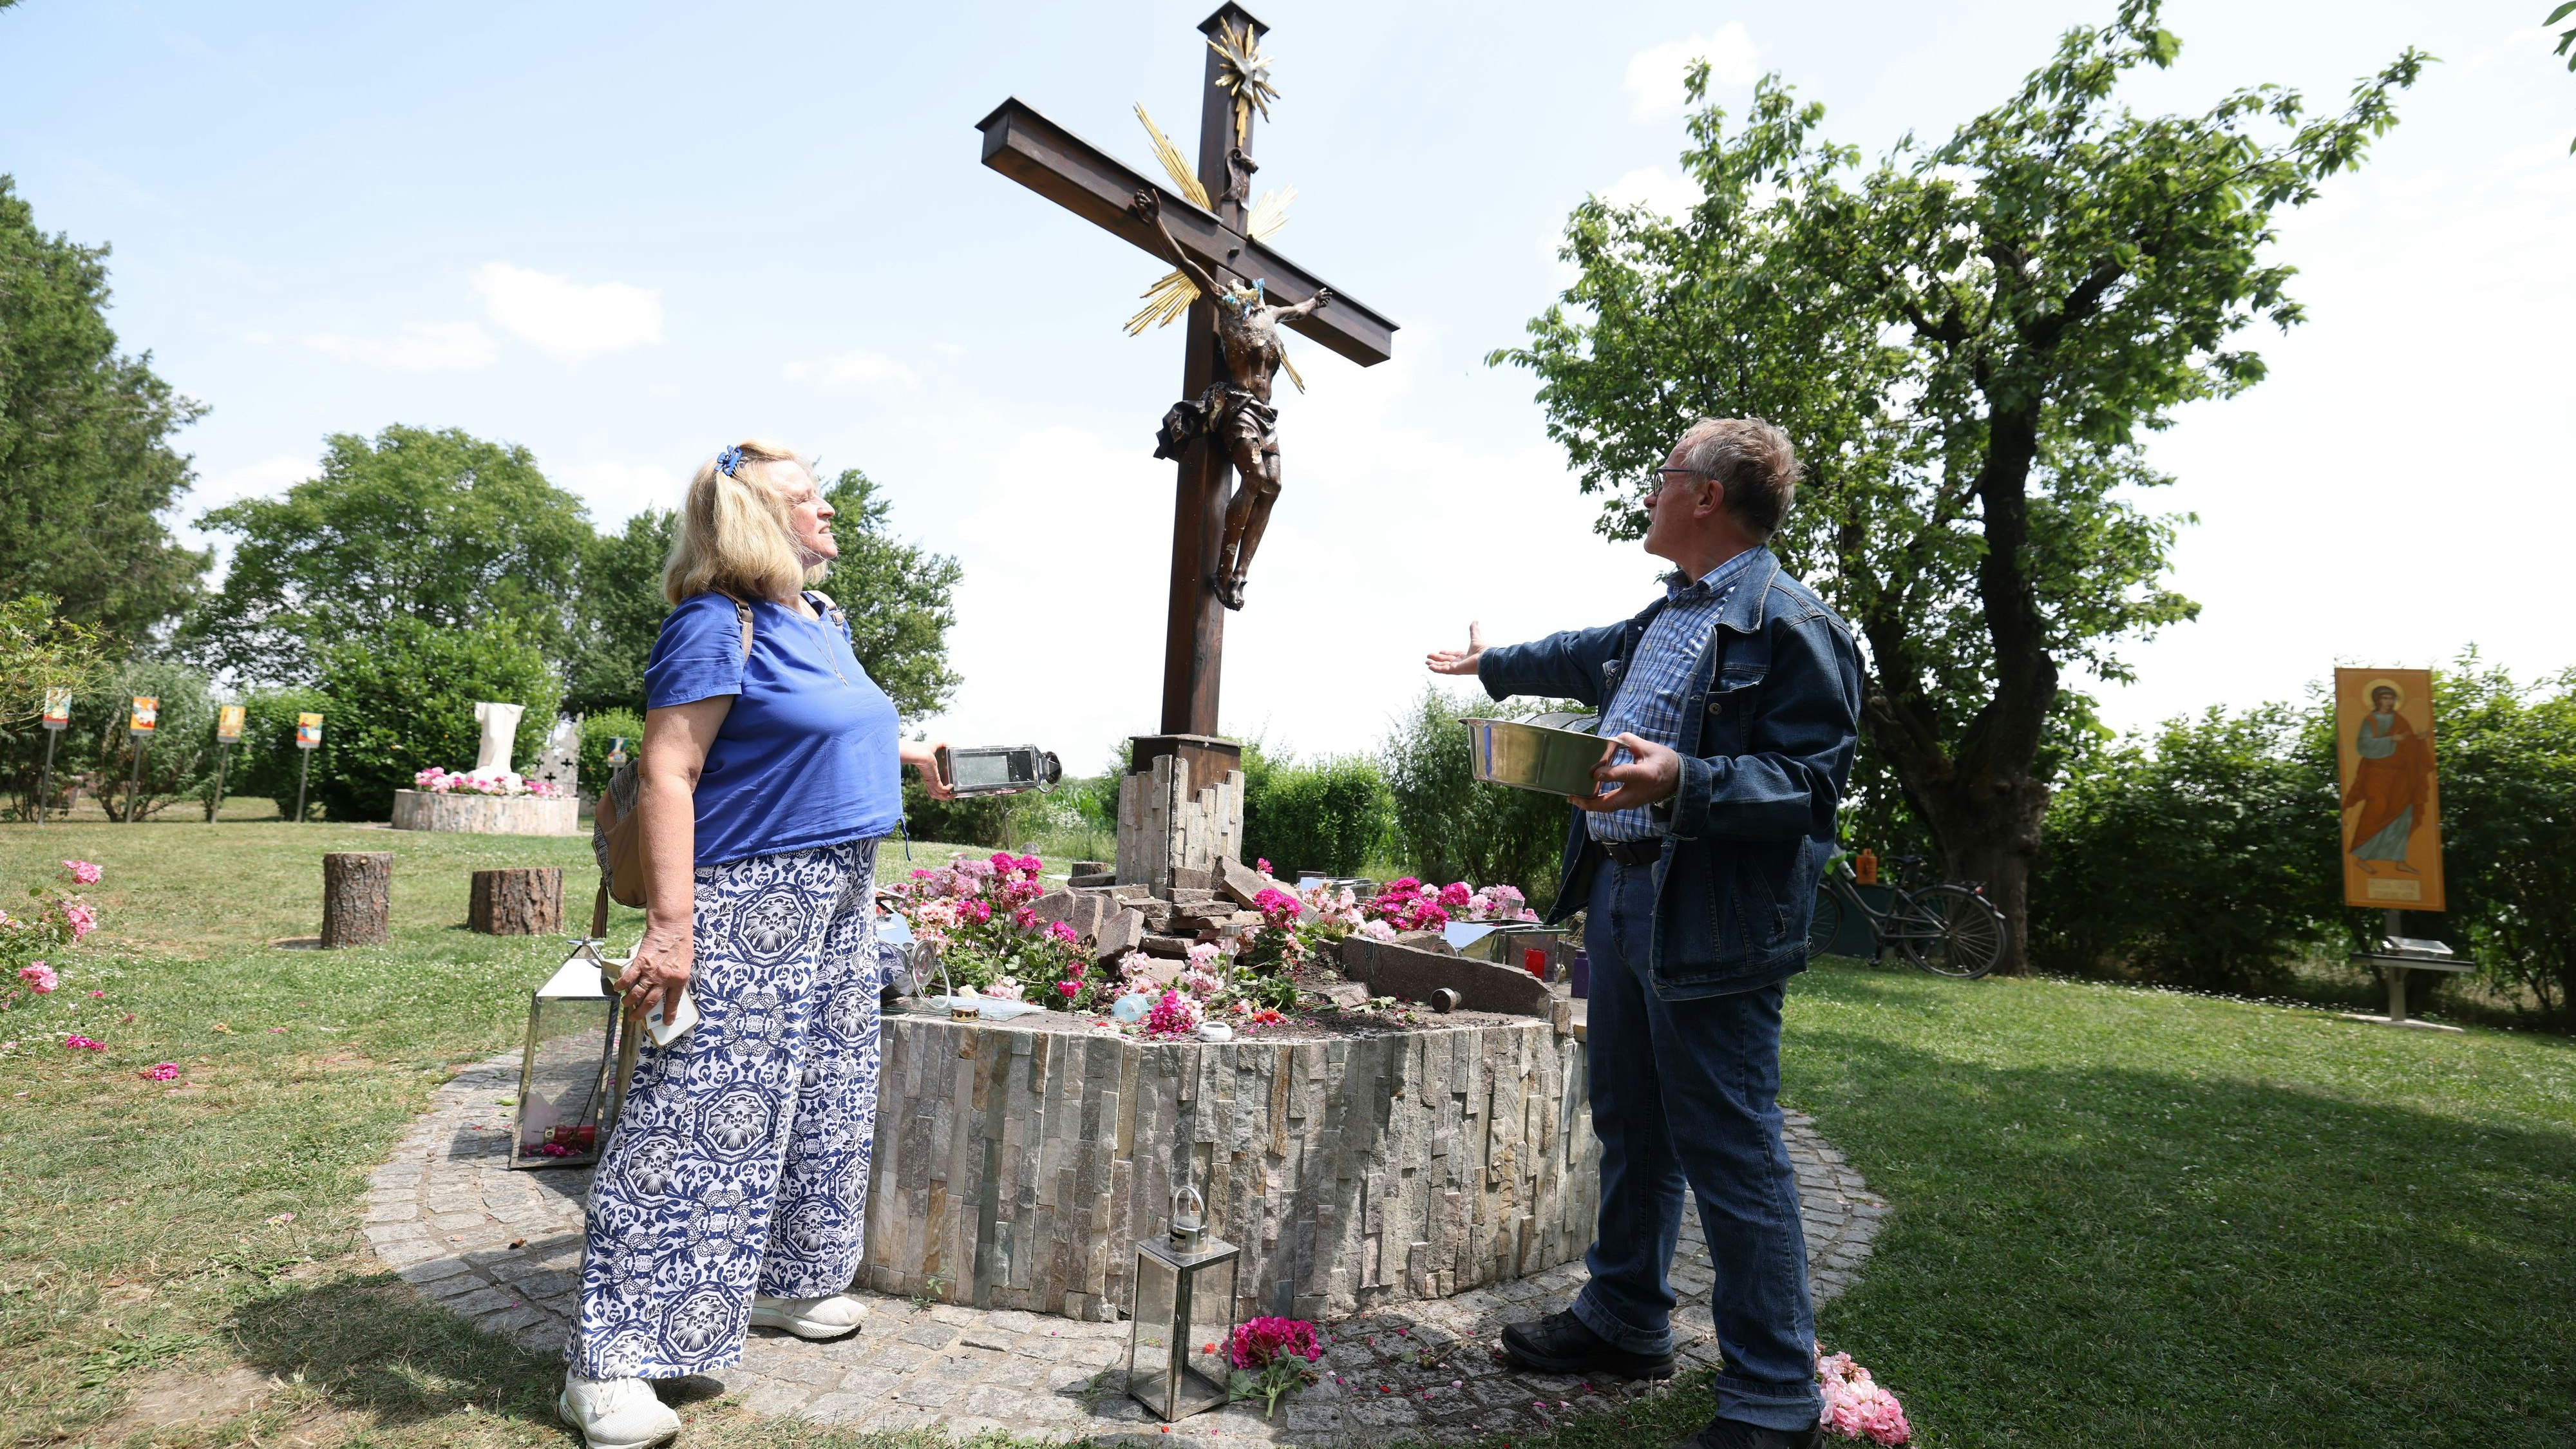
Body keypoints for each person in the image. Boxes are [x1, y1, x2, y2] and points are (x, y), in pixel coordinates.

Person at [1427, 417, 1861, 1449]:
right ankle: (1625, 1318)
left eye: (1666, 472)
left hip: (1709, 917)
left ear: (1708, 496)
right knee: (1633, 1120)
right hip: (1621, 896)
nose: (1653, 487)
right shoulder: (1667, 613)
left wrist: (1685, 777)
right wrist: (1495, 665)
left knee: (1732, 1146)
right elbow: (1582, 655)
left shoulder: (1793, 625)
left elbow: (1813, 788)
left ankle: (1772, 1396)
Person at [558, 439, 953, 1449]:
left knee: (823, 1098)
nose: (829, 513)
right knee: (696, 1117)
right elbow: (668, 773)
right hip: (746, 898)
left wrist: (905, 749)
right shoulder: (711, 622)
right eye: (806, 499)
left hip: (836, 896)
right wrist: (672, 929)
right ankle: (609, 1362)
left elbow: (814, 725)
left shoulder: (819, 618)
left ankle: (781, 1283)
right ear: (752, 522)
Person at [1132, 185, 1330, 611]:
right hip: (1236, 406)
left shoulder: (1271, 315)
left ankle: (1241, 575)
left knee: (1274, 486)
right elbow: (1187, 264)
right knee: (1255, 479)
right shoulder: (1227, 304)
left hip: (1266, 415)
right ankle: (1224, 570)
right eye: (1245, 286)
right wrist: (1157, 223)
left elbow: (1298, 310)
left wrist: (1315, 302)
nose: (1249, 288)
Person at [2345, 682, 2434, 877]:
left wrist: (2418, 738)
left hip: (2400, 775)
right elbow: (2364, 745)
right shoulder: (2371, 720)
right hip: (2378, 774)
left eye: (2392, 698)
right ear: (2377, 700)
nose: (2389, 702)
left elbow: (2407, 741)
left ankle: (2399, 860)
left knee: (2404, 814)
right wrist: (2391, 740)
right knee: (2376, 809)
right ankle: (2362, 857)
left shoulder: (2399, 719)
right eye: (2385, 698)